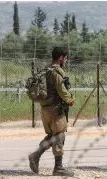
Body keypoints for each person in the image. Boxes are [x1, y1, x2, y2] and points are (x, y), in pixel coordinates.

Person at [28, 47, 75, 177]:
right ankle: (58, 168)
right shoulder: (56, 72)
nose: (65, 60)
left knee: (51, 135)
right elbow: (61, 89)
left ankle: (35, 155)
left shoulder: (46, 70)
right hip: (56, 109)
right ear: (61, 57)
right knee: (59, 135)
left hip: (45, 109)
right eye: (65, 58)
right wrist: (70, 99)